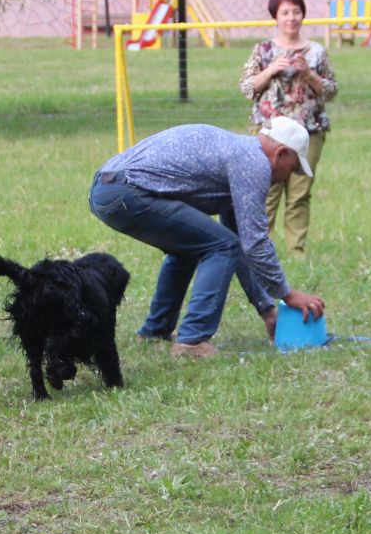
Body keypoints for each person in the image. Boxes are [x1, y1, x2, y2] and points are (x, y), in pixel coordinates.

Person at [89, 118, 327, 359]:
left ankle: (155, 331)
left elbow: (244, 244)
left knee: (194, 246)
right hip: (126, 191)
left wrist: (268, 310)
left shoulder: (239, 156)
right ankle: (192, 341)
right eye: (292, 168)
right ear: (281, 154)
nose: (288, 178)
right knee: (221, 246)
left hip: (107, 189)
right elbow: (253, 243)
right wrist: (287, 294)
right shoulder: (253, 163)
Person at [240, 0, 338, 257]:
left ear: (303, 15)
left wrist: (309, 75)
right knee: (266, 193)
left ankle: (296, 251)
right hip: (270, 134)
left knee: (299, 193)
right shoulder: (264, 50)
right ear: (276, 16)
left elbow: (331, 90)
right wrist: (271, 70)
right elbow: (247, 87)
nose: (291, 18)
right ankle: (260, 251)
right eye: (285, 12)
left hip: (309, 130)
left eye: (296, 12)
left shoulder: (316, 52)